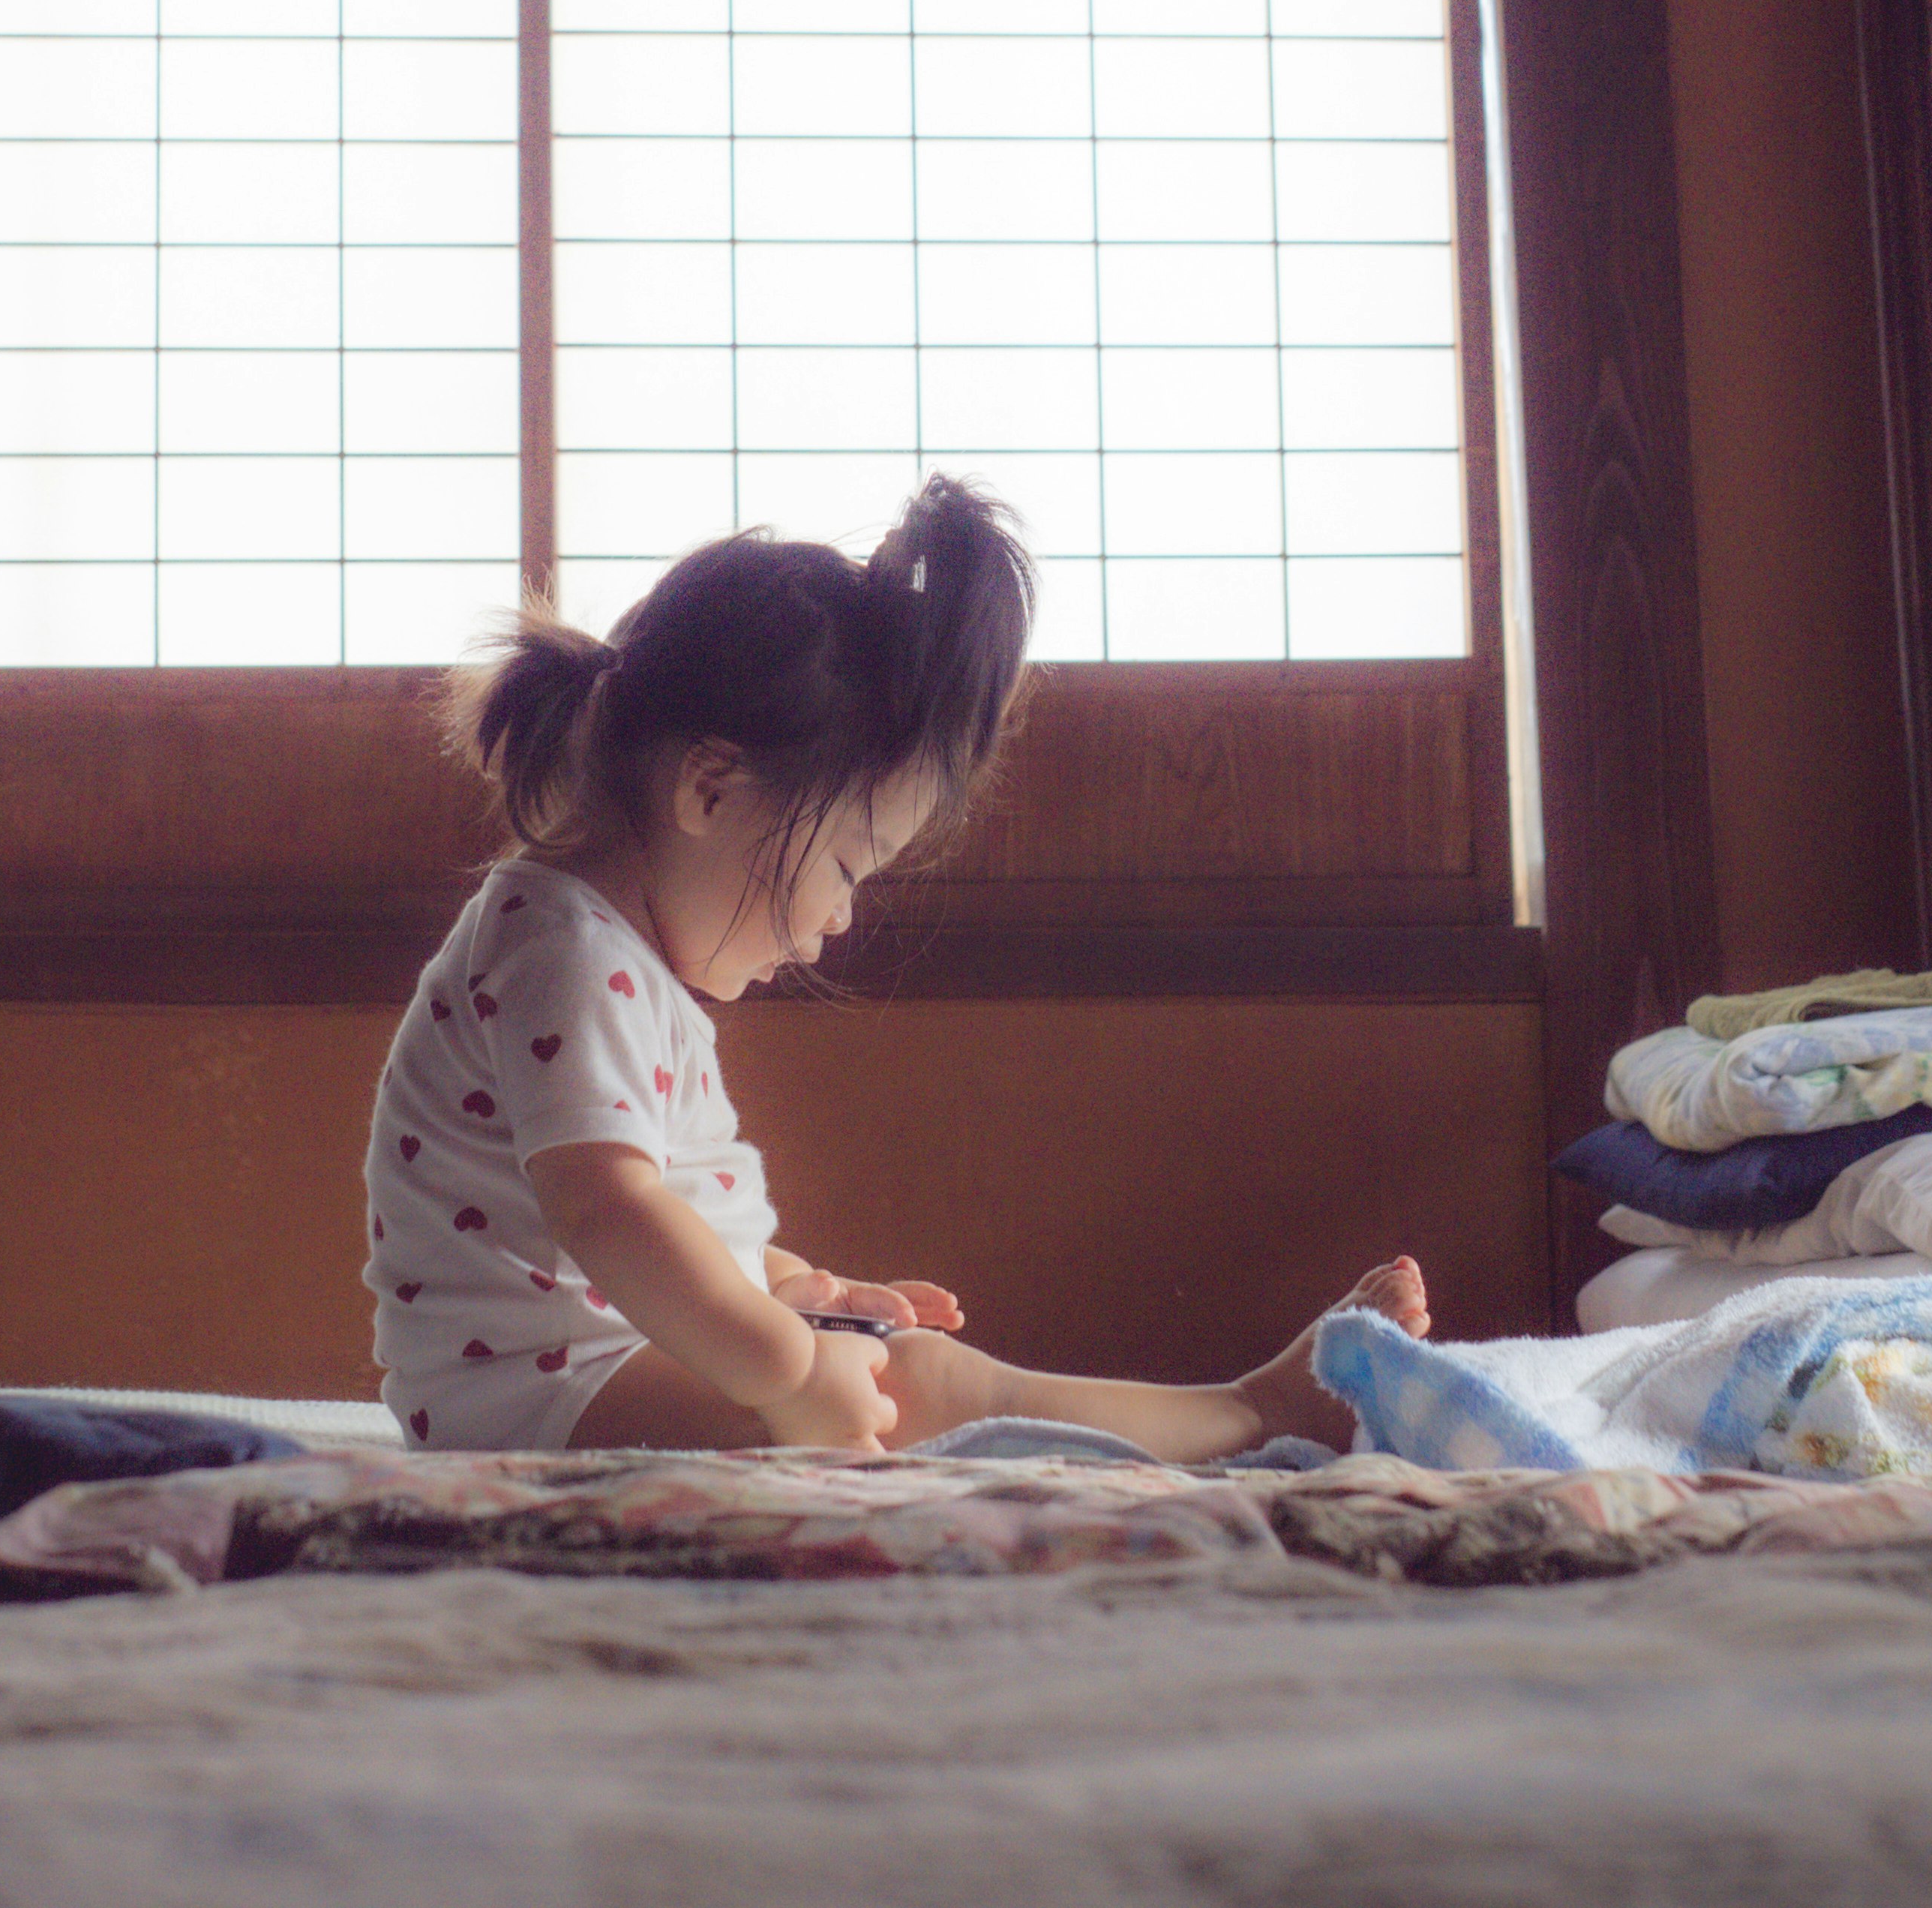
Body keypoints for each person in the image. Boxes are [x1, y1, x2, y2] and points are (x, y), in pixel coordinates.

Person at [363, 475, 1428, 1454]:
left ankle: (1245, 1407)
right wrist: (789, 1369)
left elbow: (665, 1210)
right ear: (711, 791)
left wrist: (803, 1288)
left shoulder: (597, 950)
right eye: (843, 862)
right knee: (917, 1386)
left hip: (574, 1369)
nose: (837, 917)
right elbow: (608, 1213)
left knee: (891, 1363)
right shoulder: (567, 952)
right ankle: (1247, 1415)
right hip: (534, 1402)